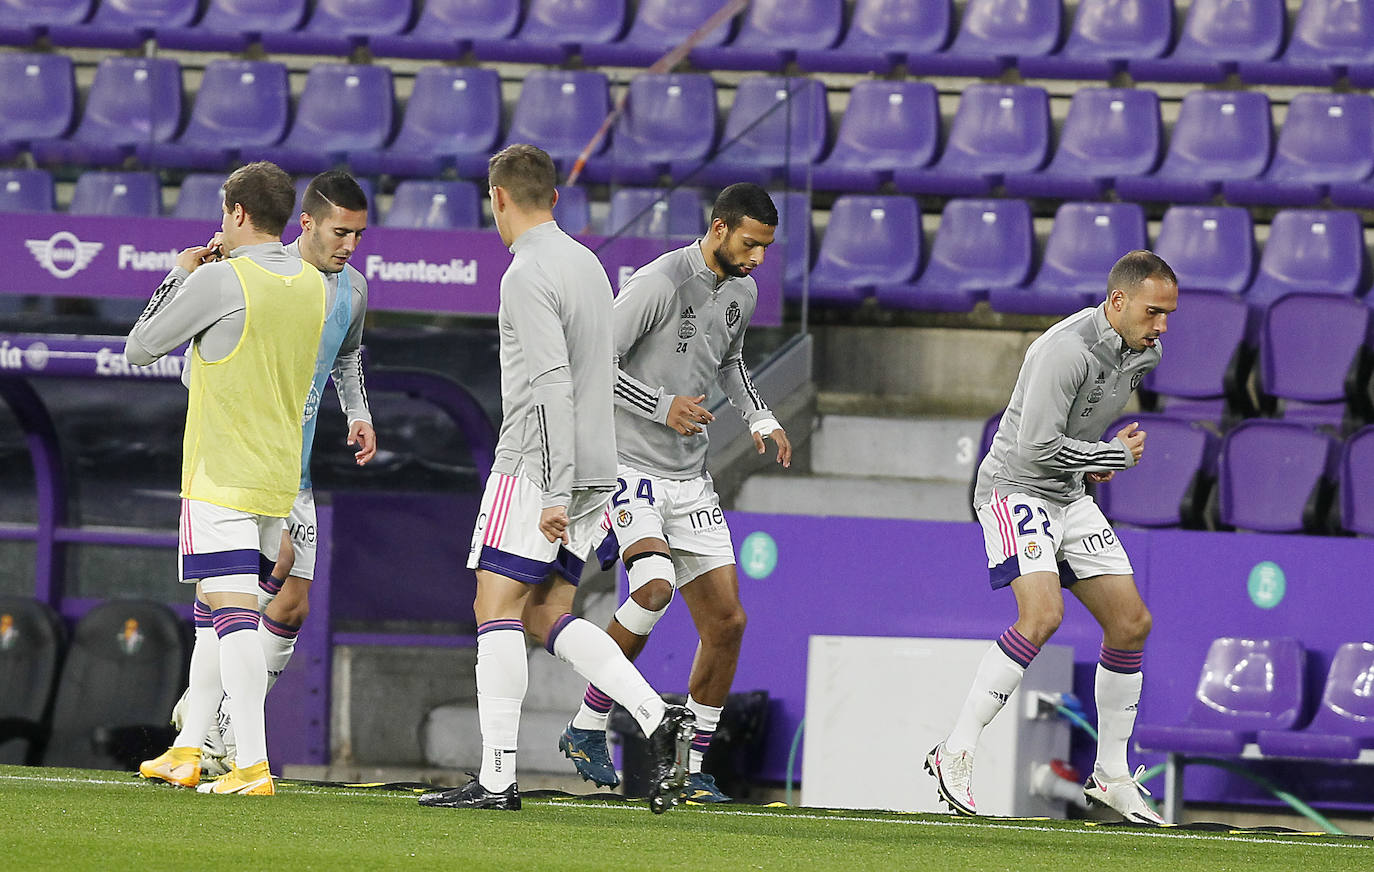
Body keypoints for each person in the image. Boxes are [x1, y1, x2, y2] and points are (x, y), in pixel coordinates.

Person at [417, 144, 695, 814]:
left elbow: (547, 388)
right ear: (555, 198)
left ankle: (496, 778)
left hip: (542, 468)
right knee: (546, 612)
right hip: (598, 468)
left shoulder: (525, 275)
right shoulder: (589, 265)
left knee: (495, 606)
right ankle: (657, 715)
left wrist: (551, 489)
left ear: (498, 198)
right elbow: (597, 376)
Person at [926, 250, 1178, 825]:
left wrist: (1089, 460)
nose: (1162, 326)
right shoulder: (1063, 350)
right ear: (1117, 301)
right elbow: (1034, 448)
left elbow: (1072, 433)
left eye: (1167, 314)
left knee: (1131, 623)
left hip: (1068, 493)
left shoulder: (1143, 352)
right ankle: (955, 749)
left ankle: (1111, 775)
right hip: (1015, 488)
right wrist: (1108, 454)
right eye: (1153, 311)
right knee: (1042, 615)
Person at [559, 183, 792, 803]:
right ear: (718, 229)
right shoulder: (659, 282)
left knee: (727, 622)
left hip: (690, 477)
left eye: (766, 248)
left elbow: (731, 362)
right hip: (629, 464)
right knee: (654, 588)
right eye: (750, 244)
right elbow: (594, 364)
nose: (758, 259)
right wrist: (662, 406)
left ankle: (689, 767)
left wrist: (760, 417)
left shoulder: (742, 289)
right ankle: (588, 722)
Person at [128, 161, 326, 796]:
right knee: (216, 608)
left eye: (223, 213)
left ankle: (251, 763)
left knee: (235, 612)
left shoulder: (222, 280)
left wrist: (184, 272)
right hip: (277, 473)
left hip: (221, 470)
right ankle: (188, 749)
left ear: (238, 214)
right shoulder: (313, 283)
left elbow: (141, 346)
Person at [172, 170, 378, 775]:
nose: (348, 245)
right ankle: (216, 731)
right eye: (340, 232)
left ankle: (209, 718)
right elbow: (194, 363)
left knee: (289, 606)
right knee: (242, 591)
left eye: (358, 236)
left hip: (296, 462)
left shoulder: (353, 291)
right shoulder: (251, 276)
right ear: (306, 223)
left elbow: (347, 354)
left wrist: (360, 413)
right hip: (241, 461)